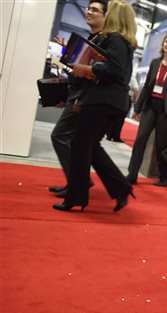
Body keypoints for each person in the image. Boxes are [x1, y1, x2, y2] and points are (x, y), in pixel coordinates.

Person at [53, 0, 137, 212]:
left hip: (101, 100)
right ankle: (120, 188)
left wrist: (89, 68)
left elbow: (113, 70)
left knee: (81, 146)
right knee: (91, 147)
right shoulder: (122, 42)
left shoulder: (115, 40)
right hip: (109, 101)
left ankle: (76, 197)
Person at [48, 0, 107, 197]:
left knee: (60, 136)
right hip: (77, 92)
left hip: (83, 96)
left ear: (105, 16)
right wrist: (67, 53)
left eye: (95, 10)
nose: (89, 12)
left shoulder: (104, 40)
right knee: (71, 139)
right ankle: (77, 182)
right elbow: (81, 66)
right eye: (89, 8)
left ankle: (78, 182)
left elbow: (94, 72)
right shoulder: (93, 37)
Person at [126, 32, 167, 187]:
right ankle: (132, 174)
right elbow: (147, 86)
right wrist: (138, 107)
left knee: (161, 144)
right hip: (150, 107)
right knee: (140, 140)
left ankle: (166, 176)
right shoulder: (155, 62)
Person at [106, 74, 139, 142]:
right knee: (121, 118)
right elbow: (136, 90)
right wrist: (134, 100)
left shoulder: (120, 75)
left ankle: (109, 135)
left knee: (112, 116)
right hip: (126, 98)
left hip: (116, 96)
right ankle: (116, 136)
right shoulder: (132, 77)